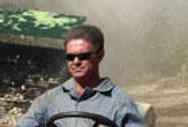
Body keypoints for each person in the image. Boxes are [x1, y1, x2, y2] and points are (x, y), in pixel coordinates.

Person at [16, 25, 144, 127]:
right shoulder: (49, 100)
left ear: (100, 55)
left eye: (83, 56)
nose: (76, 62)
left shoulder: (120, 103)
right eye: (70, 57)